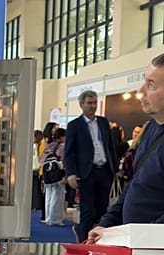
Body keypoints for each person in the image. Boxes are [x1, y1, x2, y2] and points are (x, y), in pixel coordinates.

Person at [89, 53, 164, 241]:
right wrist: (106, 223)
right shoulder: (151, 128)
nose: (141, 91)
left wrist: (139, 239)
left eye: (151, 85)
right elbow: (135, 185)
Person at [63, 90, 117, 242]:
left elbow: (109, 146)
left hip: (104, 171)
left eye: (94, 103)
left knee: (102, 209)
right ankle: (83, 239)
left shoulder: (103, 122)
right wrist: (71, 173)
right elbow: (69, 152)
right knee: (88, 210)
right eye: (89, 103)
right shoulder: (75, 125)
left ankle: (98, 240)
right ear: (81, 105)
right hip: (87, 172)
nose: (92, 106)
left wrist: (115, 168)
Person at [41, 128, 66, 226]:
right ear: (61, 137)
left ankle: (48, 217)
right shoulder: (61, 147)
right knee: (57, 197)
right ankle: (55, 219)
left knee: (48, 196)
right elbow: (62, 161)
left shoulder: (48, 146)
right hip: (57, 175)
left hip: (47, 174)